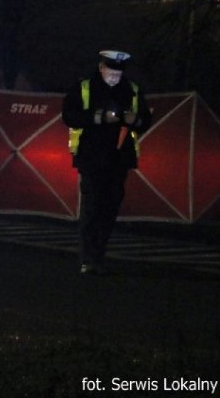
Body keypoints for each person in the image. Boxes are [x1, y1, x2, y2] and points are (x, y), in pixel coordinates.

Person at [62, 50, 152, 275]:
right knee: (92, 208)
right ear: (101, 68)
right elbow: (69, 116)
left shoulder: (131, 89)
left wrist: (135, 120)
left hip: (119, 159)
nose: (114, 78)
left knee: (109, 209)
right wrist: (98, 117)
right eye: (111, 73)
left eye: (118, 74)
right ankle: (89, 258)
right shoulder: (84, 87)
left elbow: (145, 120)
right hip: (91, 157)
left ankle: (98, 255)